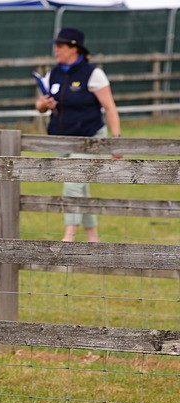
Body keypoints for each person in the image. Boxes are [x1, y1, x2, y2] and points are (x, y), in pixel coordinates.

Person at [34, 28, 121, 242]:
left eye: (60, 46)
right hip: (62, 139)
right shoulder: (52, 73)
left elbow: (109, 107)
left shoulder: (93, 74)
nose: (56, 50)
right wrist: (43, 105)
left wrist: (116, 141)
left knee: (73, 181)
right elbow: (40, 106)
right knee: (81, 187)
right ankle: (93, 237)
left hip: (90, 138)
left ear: (74, 48)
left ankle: (68, 237)